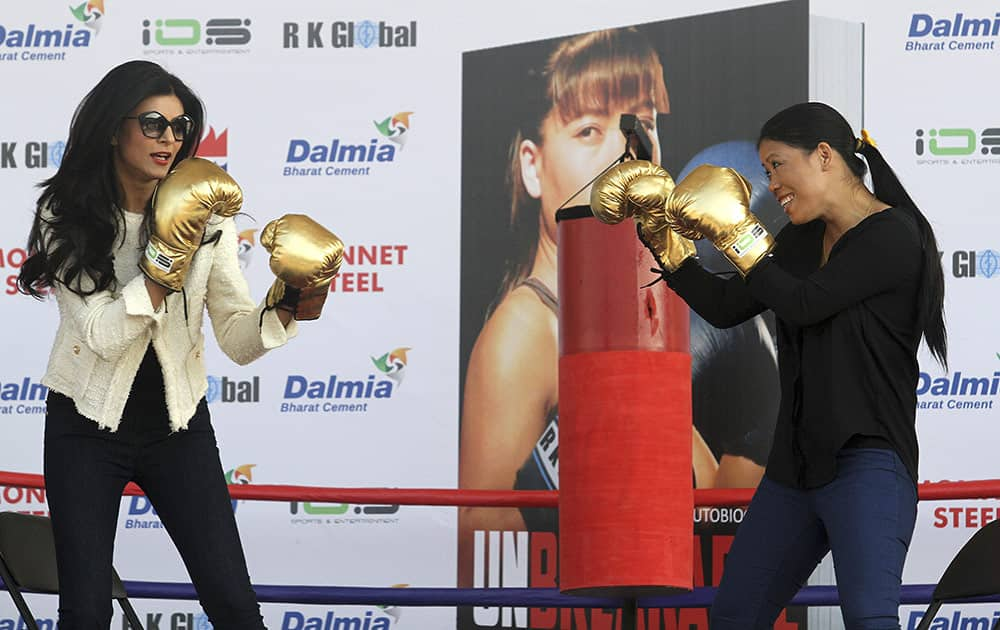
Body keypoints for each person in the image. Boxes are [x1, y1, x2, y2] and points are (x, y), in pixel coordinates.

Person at [592, 101, 947, 629]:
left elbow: (808, 302)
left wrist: (737, 232)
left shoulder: (893, 235)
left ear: (824, 156)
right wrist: (665, 241)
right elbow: (728, 306)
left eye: (778, 165)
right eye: (765, 172)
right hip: (793, 471)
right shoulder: (801, 240)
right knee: (735, 616)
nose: (772, 183)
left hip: (867, 462)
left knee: (872, 621)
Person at [17, 60, 343, 629]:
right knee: (86, 612)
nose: (169, 138)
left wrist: (291, 298)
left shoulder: (208, 217)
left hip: (178, 424)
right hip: (85, 425)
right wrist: (163, 265)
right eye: (152, 123)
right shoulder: (65, 213)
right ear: (114, 128)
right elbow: (101, 335)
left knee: (236, 605)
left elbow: (237, 338)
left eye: (180, 125)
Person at [457, 27, 779, 588]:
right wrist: (554, 482)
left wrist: (754, 435)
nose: (618, 151)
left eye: (640, 125)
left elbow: (713, 538)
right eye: (588, 129)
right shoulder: (526, 332)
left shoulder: (658, 317)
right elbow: (487, 558)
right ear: (533, 166)